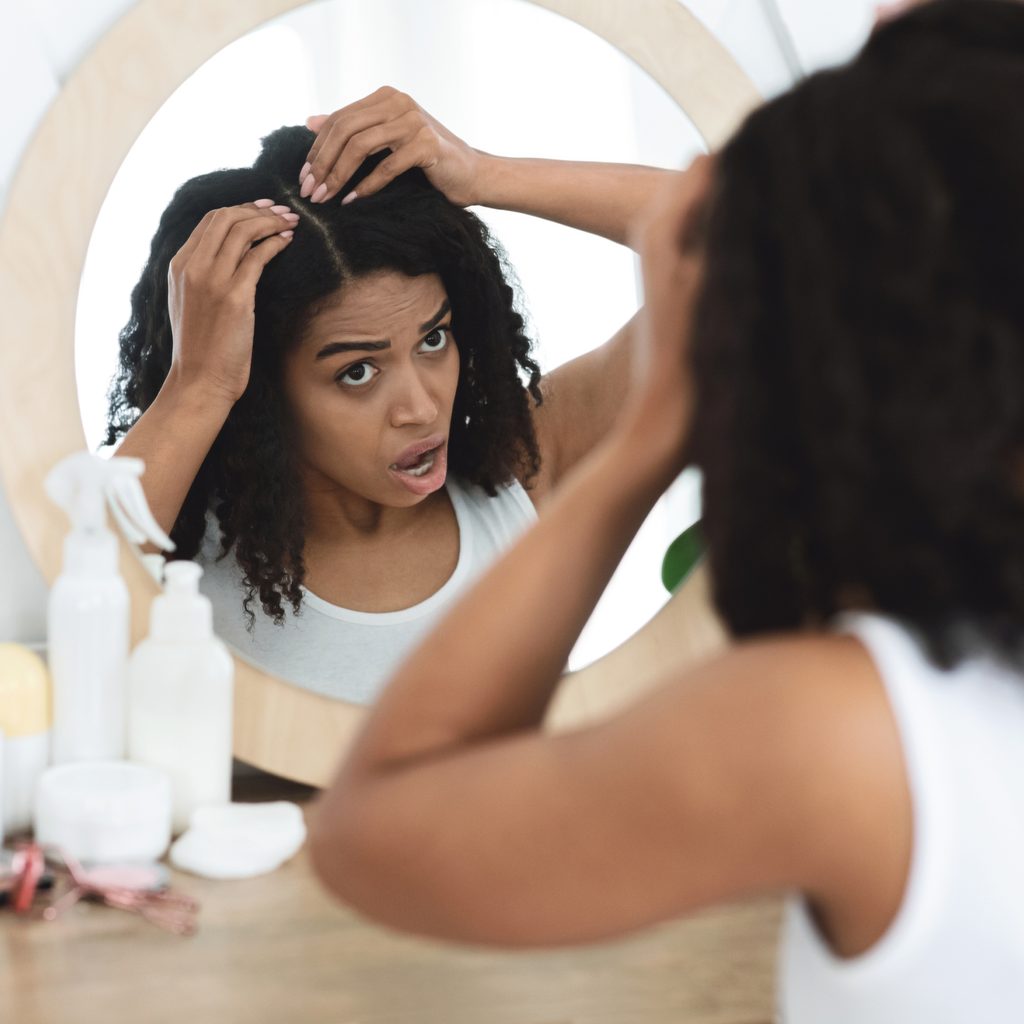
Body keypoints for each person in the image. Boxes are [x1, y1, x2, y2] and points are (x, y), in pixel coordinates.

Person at [307, 3, 1024, 1020]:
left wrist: (649, 435)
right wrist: (478, 173)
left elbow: (375, 831)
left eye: (433, 339)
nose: (415, 403)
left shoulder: (842, 737)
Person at [106, 97, 680, 701]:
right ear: (262, 390)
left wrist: (486, 173)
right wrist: (199, 384)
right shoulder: (174, 554)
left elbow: (741, 240)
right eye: (357, 372)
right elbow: (69, 621)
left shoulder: (525, 470)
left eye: (434, 339)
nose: (421, 409)